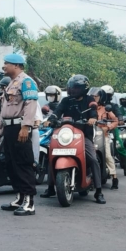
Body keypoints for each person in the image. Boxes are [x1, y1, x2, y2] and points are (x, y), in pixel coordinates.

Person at [42, 75, 106, 204]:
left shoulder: (89, 100)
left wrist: (92, 119)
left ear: (83, 88)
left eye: (76, 88)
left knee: (93, 159)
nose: (73, 90)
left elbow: (93, 112)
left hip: (83, 135)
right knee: (51, 155)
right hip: (66, 134)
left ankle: (99, 191)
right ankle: (50, 187)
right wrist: (50, 120)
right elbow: (57, 112)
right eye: (72, 87)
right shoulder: (66, 100)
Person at [0, 53, 39, 216]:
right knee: (11, 165)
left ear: (17, 66)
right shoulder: (11, 83)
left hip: (20, 129)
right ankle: (19, 198)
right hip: (9, 129)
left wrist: (26, 126)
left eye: (6, 63)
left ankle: (29, 203)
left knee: (23, 164)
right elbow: (4, 111)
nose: (3, 66)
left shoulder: (27, 82)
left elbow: (30, 106)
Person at [92, 88, 119, 189]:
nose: (94, 98)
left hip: (103, 136)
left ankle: (114, 178)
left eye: (96, 96)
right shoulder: (88, 108)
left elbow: (115, 120)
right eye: (92, 96)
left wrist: (108, 127)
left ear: (101, 97)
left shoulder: (106, 109)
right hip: (89, 135)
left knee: (107, 155)